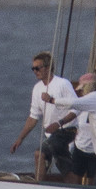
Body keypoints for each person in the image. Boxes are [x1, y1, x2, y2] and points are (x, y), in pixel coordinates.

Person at [10, 50, 78, 181]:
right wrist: (20, 139)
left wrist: (59, 123)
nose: (35, 71)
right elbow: (33, 117)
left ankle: (37, 186)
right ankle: (76, 188)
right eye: (33, 69)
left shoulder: (62, 84)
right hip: (51, 134)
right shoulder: (37, 89)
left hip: (67, 130)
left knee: (39, 153)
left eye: (38, 68)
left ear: (48, 67)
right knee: (65, 166)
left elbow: (76, 109)